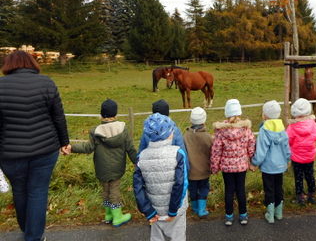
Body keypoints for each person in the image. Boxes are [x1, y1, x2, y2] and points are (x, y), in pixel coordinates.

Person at [0, 50, 70, 241]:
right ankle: (33, 235)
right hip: (45, 150)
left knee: (20, 190)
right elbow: (58, 116)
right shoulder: (47, 82)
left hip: (10, 154)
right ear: (32, 63)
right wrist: (65, 142)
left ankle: (28, 230)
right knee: (38, 191)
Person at [71, 99, 137, 227]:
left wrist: (72, 147)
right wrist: (136, 162)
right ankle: (117, 216)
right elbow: (130, 148)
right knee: (114, 191)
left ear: (101, 115)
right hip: (117, 167)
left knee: (105, 190)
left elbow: (87, 148)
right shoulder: (123, 130)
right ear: (116, 114)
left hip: (101, 168)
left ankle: (108, 215)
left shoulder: (96, 131)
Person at [134, 113, 188, 241]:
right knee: (178, 237)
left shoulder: (141, 157)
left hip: (155, 210)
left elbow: (138, 187)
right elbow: (181, 183)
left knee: (157, 237)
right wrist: (173, 211)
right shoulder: (178, 153)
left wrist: (148, 211)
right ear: (170, 133)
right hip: (176, 210)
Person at [210, 99, 256, 226]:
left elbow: (216, 150)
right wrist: (252, 161)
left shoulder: (220, 131)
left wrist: (214, 167)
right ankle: (243, 215)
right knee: (241, 189)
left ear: (227, 113)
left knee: (229, 190)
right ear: (239, 112)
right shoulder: (246, 129)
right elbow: (251, 144)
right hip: (241, 166)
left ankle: (229, 216)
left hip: (226, 167)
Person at [251, 100, 290, 224]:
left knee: (269, 189)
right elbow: (286, 147)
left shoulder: (264, 130)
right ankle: (279, 213)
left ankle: (270, 214)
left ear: (265, 115)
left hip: (268, 167)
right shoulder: (282, 128)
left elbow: (261, 150)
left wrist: (255, 162)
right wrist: (288, 159)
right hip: (280, 165)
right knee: (279, 187)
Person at [286, 98, 316, 205]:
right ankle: (312, 195)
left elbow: (288, 140)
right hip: (309, 156)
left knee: (298, 177)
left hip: (296, 157)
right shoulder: (314, 125)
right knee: (310, 175)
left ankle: (300, 196)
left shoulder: (291, 127)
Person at [183, 107, 213, 218]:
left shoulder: (186, 136)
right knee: (204, 188)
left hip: (191, 171)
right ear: (204, 121)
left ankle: (195, 207)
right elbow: (212, 152)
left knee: (192, 189)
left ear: (191, 121)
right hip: (204, 170)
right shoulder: (207, 137)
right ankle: (201, 209)